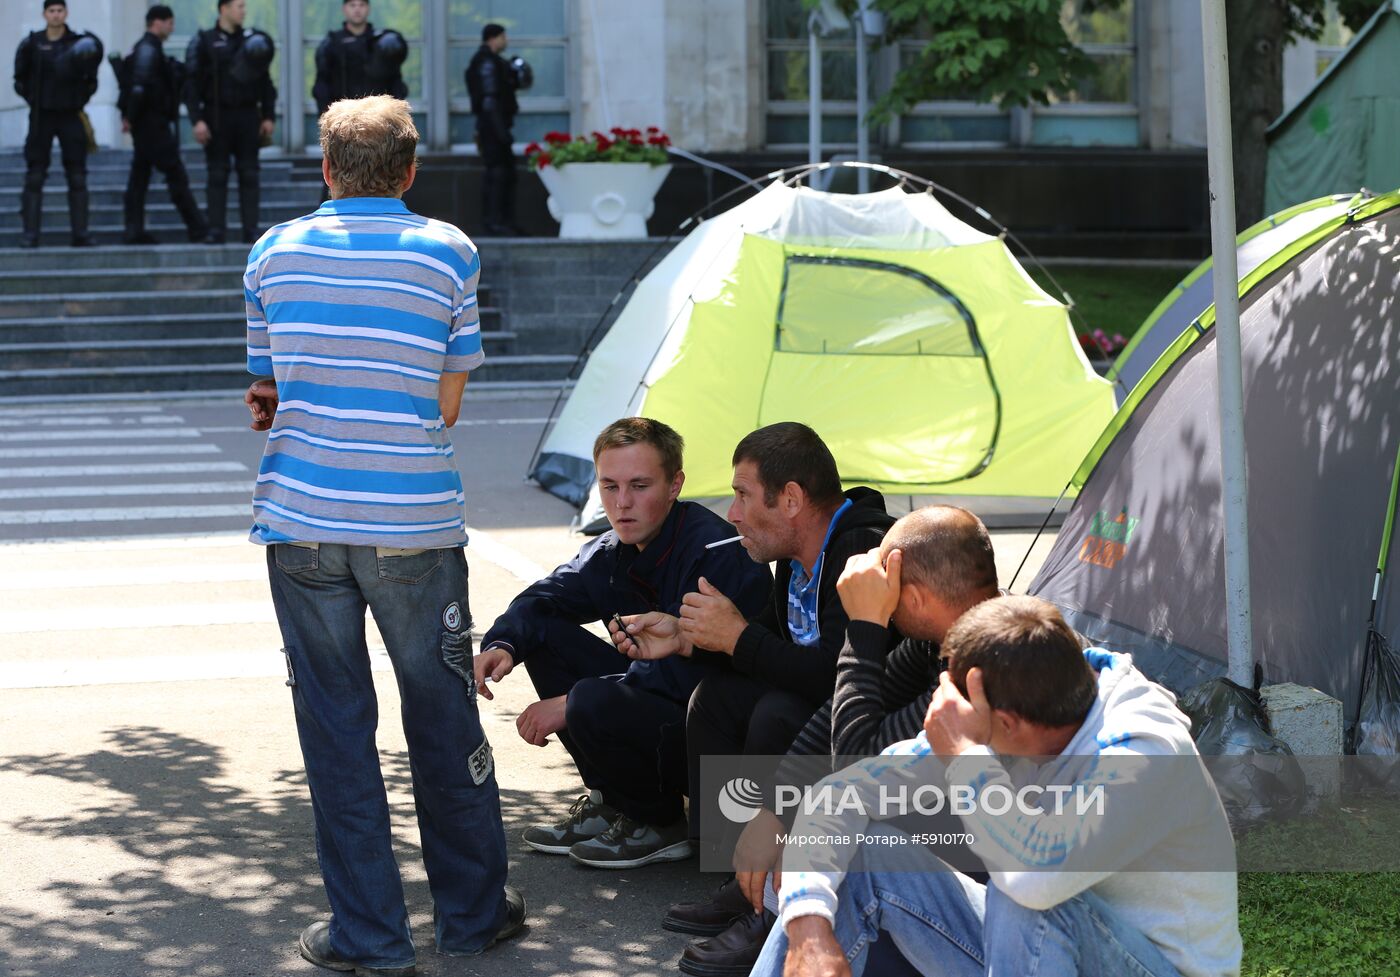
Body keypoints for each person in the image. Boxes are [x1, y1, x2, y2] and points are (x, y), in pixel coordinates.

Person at [241, 94, 523, 976]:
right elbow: (446, 399)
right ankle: (473, 915)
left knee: (335, 729)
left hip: (304, 522)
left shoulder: (271, 252)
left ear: (324, 169)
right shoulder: (448, 251)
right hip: (413, 522)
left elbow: (268, 388)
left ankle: (370, 934)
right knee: (440, 718)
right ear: (408, 172)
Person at [756, 596, 1243, 977]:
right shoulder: (1029, 706)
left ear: (1007, 724)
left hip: (1152, 964)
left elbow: (1035, 878)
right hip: (1041, 947)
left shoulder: (1144, 753)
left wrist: (966, 757)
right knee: (858, 853)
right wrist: (808, 932)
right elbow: (839, 795)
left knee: (1025, 894)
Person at [669, 505, 1002, 977]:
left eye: (889, 591)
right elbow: (832, 720)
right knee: (809, 823)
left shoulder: (979, 666)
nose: (880, 597)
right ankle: (770, 909)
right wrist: (772, 812)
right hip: (955, 834)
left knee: (840, 836)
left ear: (921, 598)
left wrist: (865, 627)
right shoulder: (949, 633)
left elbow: (858, 763)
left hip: (989, 881)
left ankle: (780, 921)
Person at [474, 417, 772, 870]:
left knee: (593, 698)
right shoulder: (611, 549)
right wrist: (503, 644)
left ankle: (659, 821)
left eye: (639, 485)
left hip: (719, 745)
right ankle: (614, 802)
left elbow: (699, 678)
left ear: (675, 485)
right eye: (609, 486)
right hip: (661, 711)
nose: (622, 503)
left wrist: (570, 702)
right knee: (545, 635)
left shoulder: (716, 552)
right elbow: (545, 597)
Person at [13, 0, 102, 248]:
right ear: (44, 14)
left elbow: (91, 78)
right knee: (35, 176)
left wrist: (78, 99)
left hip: (70, 115)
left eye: (59, 10)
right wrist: (34, 99)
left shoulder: (78, 43)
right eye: (51, 11)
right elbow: (19, 78)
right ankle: (30, 234)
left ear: (66, 13)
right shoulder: (32, 43)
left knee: (77, 176)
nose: (55, 15)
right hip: (41, 116)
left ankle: (80, 234)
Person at [185, 0, 275, 244]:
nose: (243, 11)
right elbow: (191, 85)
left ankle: (251, 231)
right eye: (239, 6)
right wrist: (197, 120)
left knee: (249, 174)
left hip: (247, 116)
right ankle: (216, 231)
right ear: (223, 9)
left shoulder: (251, 41)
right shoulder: (204, 41)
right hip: (216, 116)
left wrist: (268, 115)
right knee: (217, 175)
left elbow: (265, 82)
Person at [116, 4, 208, 244]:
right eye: (169, 22)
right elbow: (138, 89)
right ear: (158, 22)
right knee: (175, 174)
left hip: (147, 123)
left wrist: (130, 117)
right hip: (152, 125)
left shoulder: (146, 48)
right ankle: (197, 229)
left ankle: (133, 231)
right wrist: (132, 118)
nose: (172, 27)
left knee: (140, 177)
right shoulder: (148, 50)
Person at [464, 23, 520, 236]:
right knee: (497, 174)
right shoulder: (487, 63)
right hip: (493, 129)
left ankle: (502, 221)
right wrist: (500, 133)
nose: (506, 41)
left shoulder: (490, 62)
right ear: (494, 38)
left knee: (504, 174)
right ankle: (495, 222)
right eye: (503, 37)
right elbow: (489, 101)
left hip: (494, 127)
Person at [312, 0, 409, 116]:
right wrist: (326, 117)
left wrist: (396, 115)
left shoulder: (382, 42)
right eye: (352, 5)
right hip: (343, 117)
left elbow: (395, 82)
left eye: (361, 5)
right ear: (344, 9)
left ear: (368, 8)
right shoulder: (331, 44)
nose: (357, 9)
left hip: (379, 118)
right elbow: (322, 85)